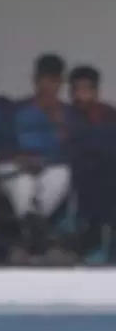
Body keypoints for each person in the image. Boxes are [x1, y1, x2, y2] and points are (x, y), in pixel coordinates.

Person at [7, 53, 72, 255]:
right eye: (45, 80)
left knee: (63, 174)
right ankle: (34, 232)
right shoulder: (16, 109)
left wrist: (60, 123)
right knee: (22, 183)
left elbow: (74, 150)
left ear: (61, 82)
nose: (49, 86)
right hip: (19, 164)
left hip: (52, 166)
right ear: (35, 80)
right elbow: (3, 141)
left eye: (54, 80)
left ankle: (30, 231)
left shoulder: (69, 113)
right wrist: (19, 157)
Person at [66, 65, 116, 259]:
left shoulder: (108, 113)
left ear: (95, 91)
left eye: (85, 89)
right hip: (80, 174)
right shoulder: (66, 114)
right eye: (76, 90)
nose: (80, 95)